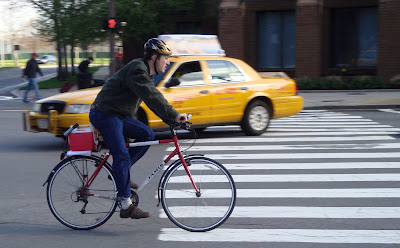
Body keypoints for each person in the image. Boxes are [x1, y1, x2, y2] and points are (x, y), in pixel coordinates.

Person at [89, 38, 187, 219]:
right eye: (165, 58)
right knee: (121, 155)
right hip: (105, 114)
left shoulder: (144, 73)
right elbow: (151, 96)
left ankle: (119, 173)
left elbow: (151, 95)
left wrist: (171, 118)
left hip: (117, 115)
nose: (168, 62)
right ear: (154, 57)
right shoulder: (137, 70)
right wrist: (173, 115)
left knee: (147, 134)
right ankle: (126, 205)